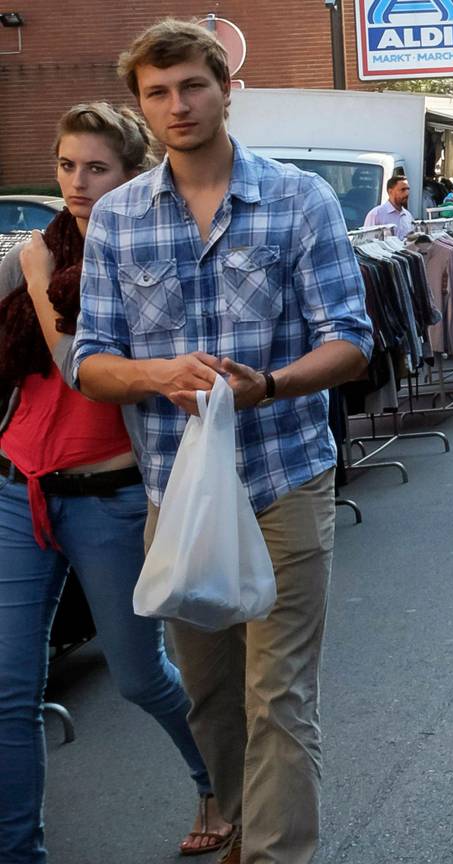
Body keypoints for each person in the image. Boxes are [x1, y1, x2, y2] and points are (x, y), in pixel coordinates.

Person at [73, 21, 373, 864]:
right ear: (142, 105)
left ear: (225, 87)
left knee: (277, 696)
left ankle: (278, 853)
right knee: (209, 696)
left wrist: (270, 384)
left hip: (283, 478)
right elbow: (91, 362)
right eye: (158, 93)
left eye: (192, 86)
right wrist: (159, 374)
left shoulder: (297, 199)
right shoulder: (119, 219)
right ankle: (241, 823)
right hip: (175, 491)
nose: (178, 105)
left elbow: (351, 339)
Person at [0, 102, 233, 863]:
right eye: (66, 165)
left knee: (140, 678)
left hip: (111, 494)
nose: (77, 182)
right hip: (18, 487)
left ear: (134, 174)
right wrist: (30, 272)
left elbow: (88, 368)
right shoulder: (31, 252)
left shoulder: (144, 252)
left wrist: (40, 283)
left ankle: (217, 788)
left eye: (96, 167)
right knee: (7, 696)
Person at [362, 174, 413, 238]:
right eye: (403, 190)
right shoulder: (376, 214)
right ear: (390, 191)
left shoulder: (408, 216)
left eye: (408, 189)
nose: (407, 193)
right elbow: (367, 242)